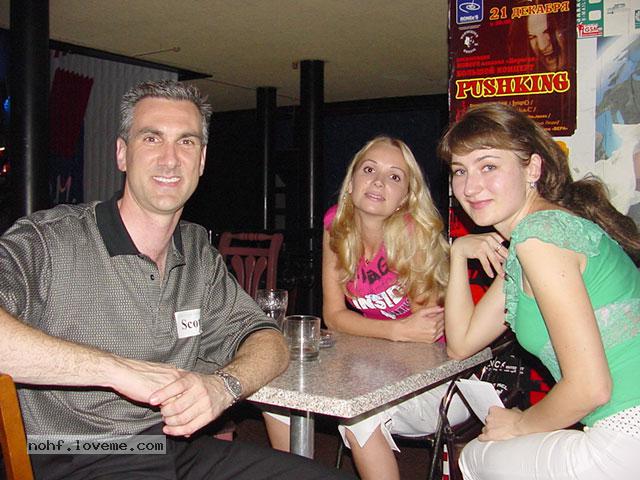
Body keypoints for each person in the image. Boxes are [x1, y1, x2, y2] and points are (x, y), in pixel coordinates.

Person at [0, 80, 353, 480]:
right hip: (76, 455)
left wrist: (223, 387)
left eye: (186, 142)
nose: (170, 159)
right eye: (152, 138)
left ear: (201, 160)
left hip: (174, 449)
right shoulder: (49, 239)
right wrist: (116, 370)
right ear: (122, 153)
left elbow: (268, 340)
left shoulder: (198, 251)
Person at [438, 102, 640, 479]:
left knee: (475, 456)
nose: (470, 186)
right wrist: (458, 253)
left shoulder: (540, 238)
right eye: (459, 171)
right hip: (624, 429)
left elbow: (590, 388)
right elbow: (462, 344)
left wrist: (521, 424)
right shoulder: (535, 237)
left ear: (532, 168)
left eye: (488, 166)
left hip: (629, 432)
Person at [263, 136, 469, 480]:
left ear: (406, 197)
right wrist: (395, 330)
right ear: (351, 182)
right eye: (369, 170)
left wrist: (383, 337)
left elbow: (424, 335)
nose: (378, 181)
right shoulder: (337, 227)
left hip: (442, 380)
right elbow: (334, 316)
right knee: (279, 395)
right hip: (376, 361)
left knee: (360, 414)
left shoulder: (414, 236)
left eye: (394, 176)